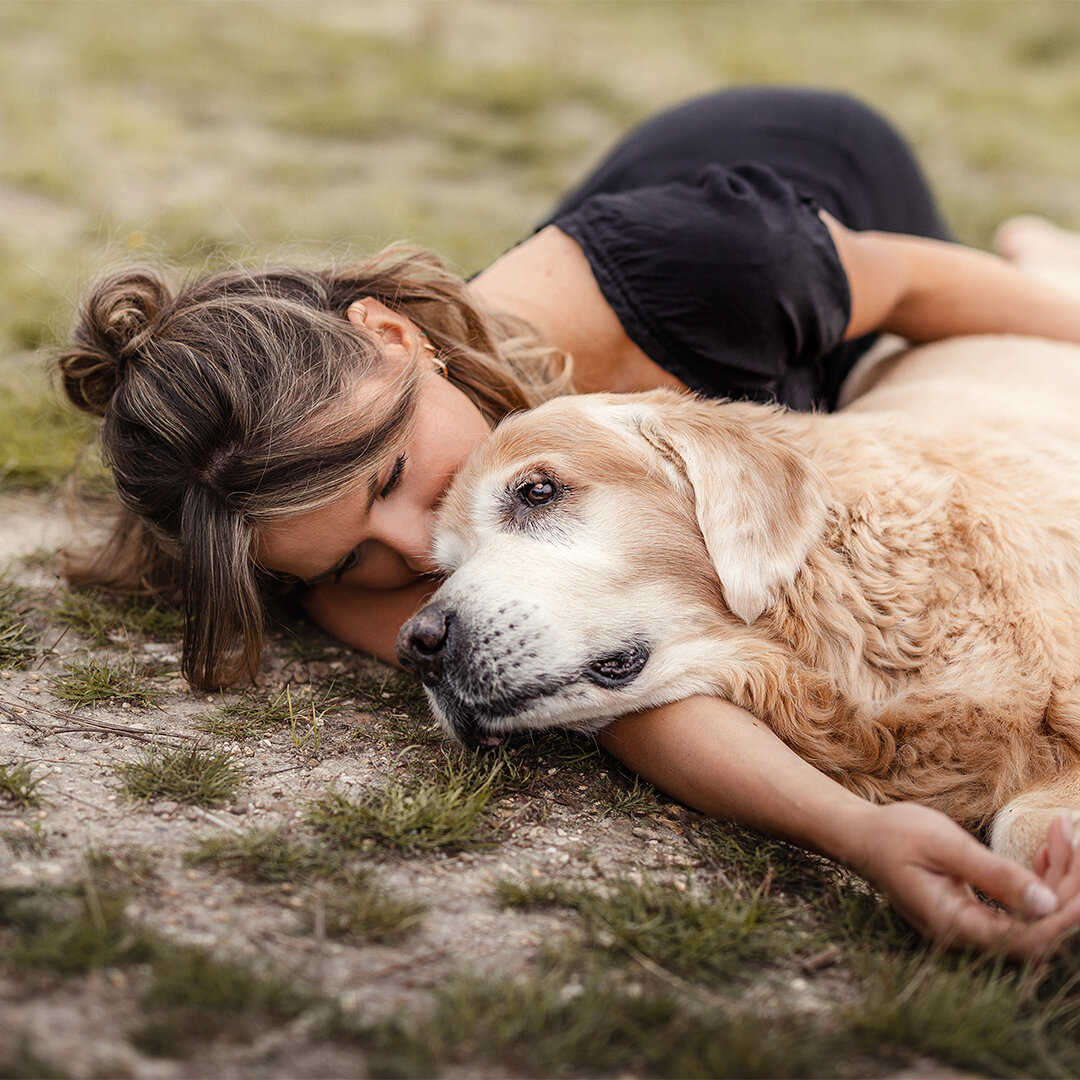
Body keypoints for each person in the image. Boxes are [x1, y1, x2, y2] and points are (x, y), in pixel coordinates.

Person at [58, 87, 1080, 959]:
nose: (414, 553)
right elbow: (628, 702)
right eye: (356, 559)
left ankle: (1043, 254)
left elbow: (919, 286)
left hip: (812, 195)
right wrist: (858, 832)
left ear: (394, 334)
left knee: (912, 339)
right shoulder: (351, 565)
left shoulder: (704, 266)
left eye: (393, 479)